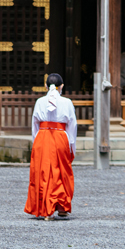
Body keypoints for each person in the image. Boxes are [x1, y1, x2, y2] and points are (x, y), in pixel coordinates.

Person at [24, 73, 77, 220]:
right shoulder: (67, 102)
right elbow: (72, 125)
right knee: (61, 171)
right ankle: (61, 207)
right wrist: (72, 145)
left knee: (43, 172)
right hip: (60, 136)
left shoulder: (40, 102)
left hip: (42, 136)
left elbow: (35, 123)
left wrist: (36, 141)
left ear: (45, 86)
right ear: (62, 86)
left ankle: (46, 209)